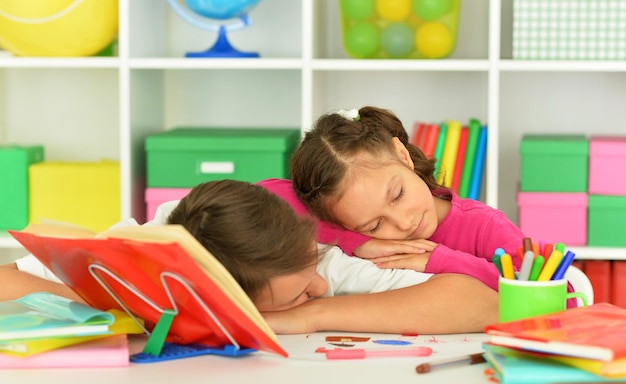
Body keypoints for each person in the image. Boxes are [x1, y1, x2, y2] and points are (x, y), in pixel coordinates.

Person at [2, 179, 497, 334]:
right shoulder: (145, 242)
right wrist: (122, 301)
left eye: (308, 278)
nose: (317, 286)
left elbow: (482, 303)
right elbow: (8, 281)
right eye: (298, 294)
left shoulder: (319, 260)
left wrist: (306, 315)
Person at [285, 105, 529, 292]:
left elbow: (558, 290)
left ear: (403, 155)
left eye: (398, 195)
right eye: (375, 225)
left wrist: (439, 261)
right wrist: (358, 241)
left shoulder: (485, 226)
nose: (404, 223)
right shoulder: (350, 224)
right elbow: (268, 192)